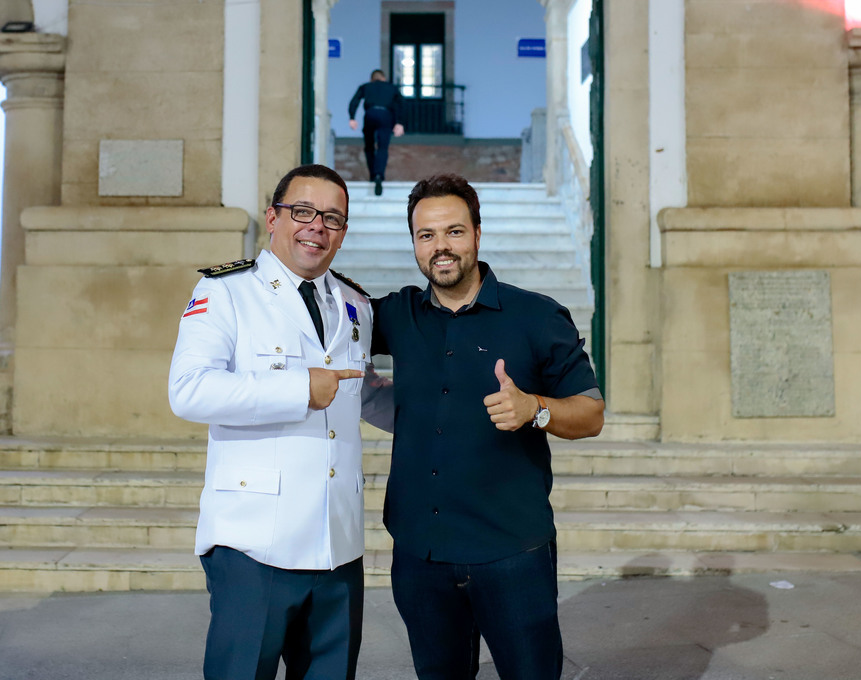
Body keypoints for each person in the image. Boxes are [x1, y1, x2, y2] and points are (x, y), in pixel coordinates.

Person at [370, 173, 605, 680]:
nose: (441, 246)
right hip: (421, 554)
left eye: (454, 231)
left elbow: (591, 414)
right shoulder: (395, 315)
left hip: (511, 553)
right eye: (426, 235)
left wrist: (535, 407)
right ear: (414, 242)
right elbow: (320, 313)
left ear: (477, 234)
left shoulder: (537, 316)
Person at [168, 164, 391, 680]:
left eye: (332, 218)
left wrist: (450, 414)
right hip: (255, 543)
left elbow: (361, 395)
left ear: (343, 232)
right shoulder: (226, 291)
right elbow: (189, 390)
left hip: (337, 544)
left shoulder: (355, 303)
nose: (317, 227)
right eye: (303, 212)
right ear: (273, 218)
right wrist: (298, 389)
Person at [348, 68, 405, 196]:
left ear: (371, 79)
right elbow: (401, 104)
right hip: (385, 115)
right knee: (382, 148)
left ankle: (372, 175)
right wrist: (399, 123)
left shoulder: (365, 86)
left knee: (369, 147)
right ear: (384, 78)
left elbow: (354, 101)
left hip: (370, 114)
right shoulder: (392, 88)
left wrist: (352, 118)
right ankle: (379, 175)